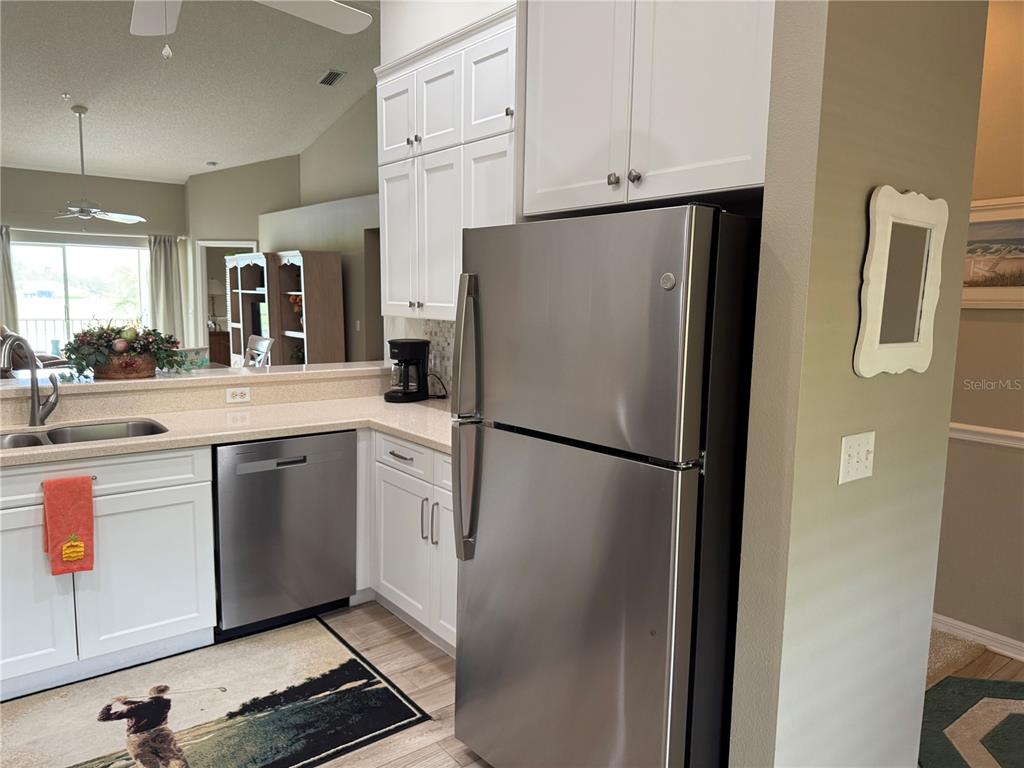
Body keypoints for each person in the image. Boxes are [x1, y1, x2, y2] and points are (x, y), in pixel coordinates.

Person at [97, 684, 190, 768]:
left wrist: (110, 703)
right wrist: (125, 702)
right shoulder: (165, 704)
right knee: (176, 761)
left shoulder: (135, 708)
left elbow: (102, 717)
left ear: (149, 694)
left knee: (147, 765)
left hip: (139, 739)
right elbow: (147, 705)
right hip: (162, 734)